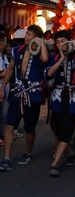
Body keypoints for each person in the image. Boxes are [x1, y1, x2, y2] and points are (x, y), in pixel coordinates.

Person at [0, 24, 49, 171]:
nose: (26, 37)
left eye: (29, 35)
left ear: (36, 38)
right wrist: (2, 88)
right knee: (9, 125)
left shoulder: (39, 52)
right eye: (26, 34)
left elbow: (46, 60)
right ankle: (7, 158)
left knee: (30, 127)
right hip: (18, 92)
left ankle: (28, 152)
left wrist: (41, 43)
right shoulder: (17, 50)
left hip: (33, 94)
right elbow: (10, 69)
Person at [45, 30, 75, 177]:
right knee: (57, 128)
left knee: (67, 128)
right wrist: (61, 60)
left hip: (73, 98)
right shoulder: (54, 57)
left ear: (69, 41)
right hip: (57, 97)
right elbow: (48, 74)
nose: (60, 44)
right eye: (58, 42)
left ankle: (55, 163)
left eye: (63, 41)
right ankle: (71, 152)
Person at [5, 39, 23, 140]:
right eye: (7, 46)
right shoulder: (5, 57)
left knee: (14, 109)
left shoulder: (15, 56)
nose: (9, 48)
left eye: (11, 46)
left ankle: (14, 129)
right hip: (8, 86)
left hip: (14, 87)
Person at [0, 33, 9, 146]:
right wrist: (7, 72)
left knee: (4, 112)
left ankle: (3, 134)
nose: (6, 44)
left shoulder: (3, 55)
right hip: (1, 85)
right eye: (5, 42)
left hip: (4, 85)